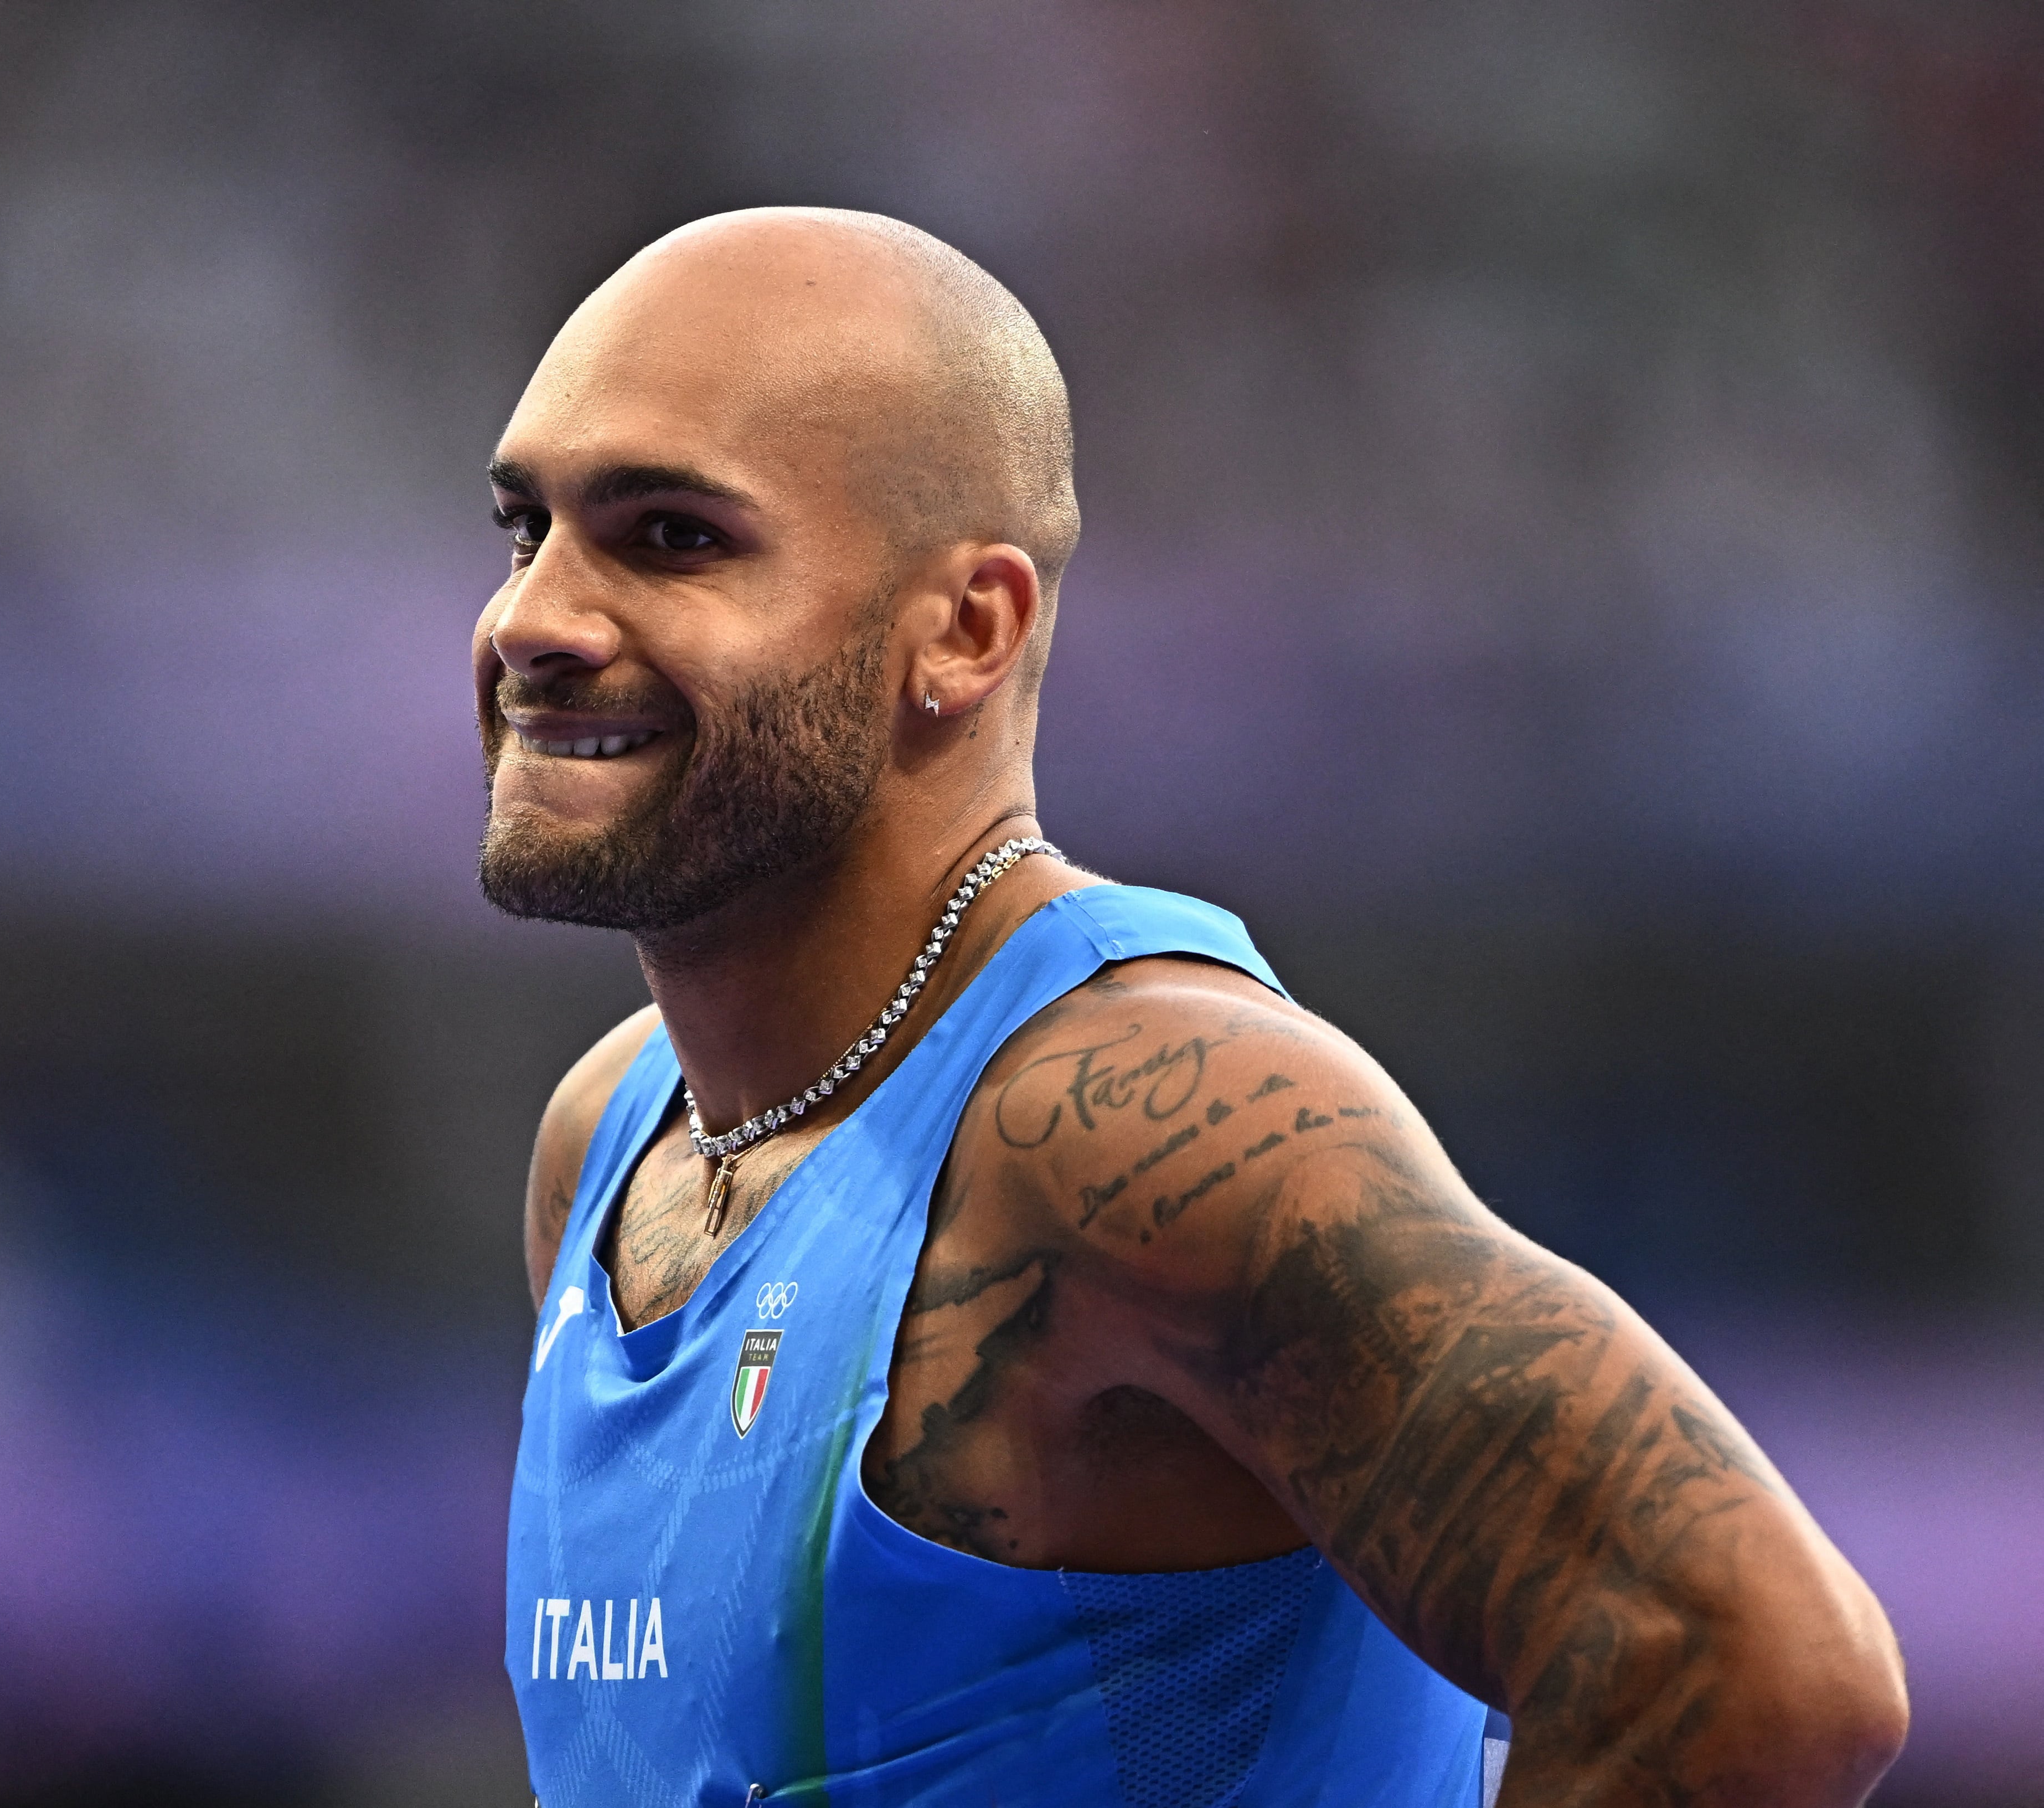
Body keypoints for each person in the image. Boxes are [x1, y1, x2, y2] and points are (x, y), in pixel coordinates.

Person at [479, 208, 1905, 1807]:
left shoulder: (1145, 1132)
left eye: (672, 537)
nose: (535, 616)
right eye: (521, 526)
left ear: (964, 628)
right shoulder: (612, 1141)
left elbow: (1754, 1666)